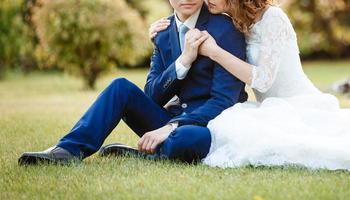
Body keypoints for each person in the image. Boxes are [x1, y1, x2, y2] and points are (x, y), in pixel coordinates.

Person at [18, 0, 248, 165]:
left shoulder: (225, 29)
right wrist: (183, 61)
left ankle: (143, 153)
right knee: (120, 87)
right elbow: (152, 96)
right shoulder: (162, 32)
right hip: (169, 120)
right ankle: (67, 150)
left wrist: (171, 127)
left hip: (208, 125)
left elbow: (223, 101)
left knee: (187, 139)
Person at [150, 0, 350, 170]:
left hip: (298, 105)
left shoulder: (273, 17)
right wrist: (163, 29)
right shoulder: (238, 22)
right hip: (267, 108)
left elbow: (263, 81)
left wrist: (214, 52)